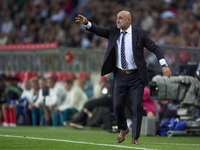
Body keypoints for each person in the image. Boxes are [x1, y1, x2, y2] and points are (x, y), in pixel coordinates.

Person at [75, 10, 171, 144]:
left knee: (136, 105)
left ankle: (135, 137)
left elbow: (155, 48)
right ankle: (123, 128)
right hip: (120, 75)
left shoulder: (140, 34)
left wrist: (164, 64)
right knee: (117, 105)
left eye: (120, 18)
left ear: (128, 20)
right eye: (117, 18)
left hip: (136, 76)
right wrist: (87, 23)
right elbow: (100, 31)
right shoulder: (114, 31)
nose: (117, 20)